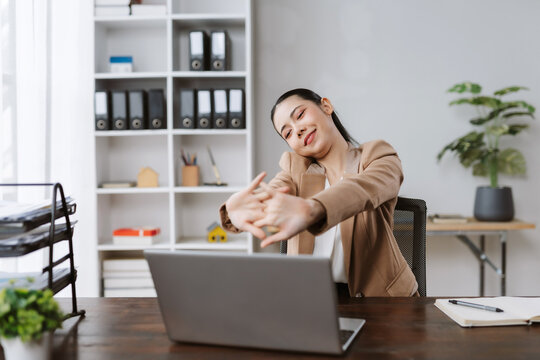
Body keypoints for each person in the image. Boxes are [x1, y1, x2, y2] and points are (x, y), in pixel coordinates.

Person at [219, 88, 418, 297]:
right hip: (311, 300)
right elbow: (273, 195)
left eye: (300, 115)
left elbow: (366, 188)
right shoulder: (295, 169)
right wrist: (236, 211)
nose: (297, 130)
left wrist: (312, 208)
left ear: (326, 106)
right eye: (287, 133)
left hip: (383, 301)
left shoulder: (375, 155)